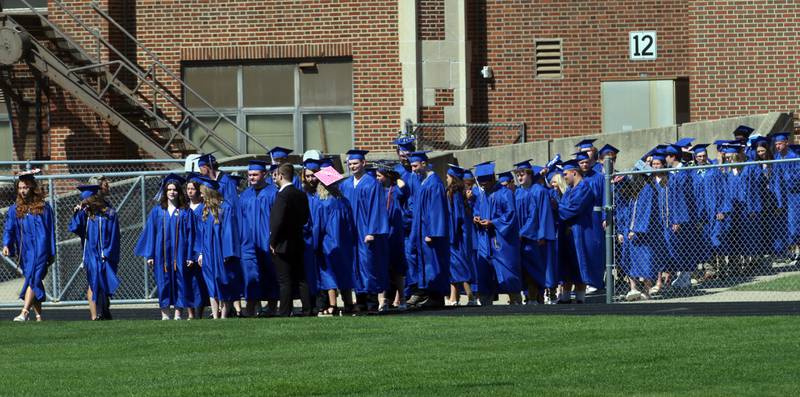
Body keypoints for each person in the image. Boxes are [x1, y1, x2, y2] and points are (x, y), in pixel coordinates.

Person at [135, 174, 197, 320]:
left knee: (180, 282)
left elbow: (191, 236)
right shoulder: (157, 211)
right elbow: (151, 233)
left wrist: (190, 255)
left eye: (175, 189)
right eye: (169, 189)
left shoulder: (185, 212)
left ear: (179, 192)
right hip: (161, 255)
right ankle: (165, 315)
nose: (172, 192)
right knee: (163, 283)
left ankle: (177, 314)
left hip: (180, 255)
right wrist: (150, 255)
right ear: (165, 192)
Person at [339, 149, 390, 314]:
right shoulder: (346, 184)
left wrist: (372, 231)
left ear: (363, 163)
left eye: (355, 163)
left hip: (365, 231)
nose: (352, 166)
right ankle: (359, 301)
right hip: (351, 232)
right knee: (354, 266)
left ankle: (371, 302)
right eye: (350, 164)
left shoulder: (372, 183)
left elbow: (377, 209)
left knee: (369, 265)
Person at [2, 170, 55, 322]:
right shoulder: (15, 209)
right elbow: (9, 228)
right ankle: (38, 316)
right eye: (20, 188)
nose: (22, 191)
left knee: (33, 276)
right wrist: (6, 244)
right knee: (34, 280)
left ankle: (24, 312)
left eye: (25, 187)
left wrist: (51, 250)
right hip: (25, 251)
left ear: (32, 187)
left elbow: (50, 230)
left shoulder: (44, 208)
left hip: (41, 249)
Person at [472, 161, 521, 305]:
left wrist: (493, 222)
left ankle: (515, 301)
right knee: (484, 273)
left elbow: (510, 215)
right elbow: (476, 209)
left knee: (507, 271)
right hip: (484, 239)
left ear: (493, 178)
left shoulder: (505, 193)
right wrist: (476, 217)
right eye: (481, 183)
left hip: (500, 240)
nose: (483, 185)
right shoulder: (482, 195)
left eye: (486, 182)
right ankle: (486, 305)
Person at [69, 184, 121, 320]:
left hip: (105, 254)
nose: (86, 203)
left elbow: (114, 235)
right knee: (94, 281)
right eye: (84, 201)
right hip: (91, 254)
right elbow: (75, 228)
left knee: (103, 282)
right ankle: (97, 314)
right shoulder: (85, 215)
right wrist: (78, 212)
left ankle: (103, 311)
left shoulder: (109, 214)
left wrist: (108, 253)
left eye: (88, 201)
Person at [406, 151, 450, 309]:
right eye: (411, 166)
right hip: (420, 230)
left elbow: (436, 210)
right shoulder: (423, 181)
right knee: (423, 261)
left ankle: (437, 297)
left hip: (429, 232)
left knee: (434, 262)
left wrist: (432, 232)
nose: (413, 169)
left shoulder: (434, 183)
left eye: (415, 166)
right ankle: (427, 293)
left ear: (424, 164)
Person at [194, 177, 242, 319]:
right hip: (208, 253)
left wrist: (228, 253)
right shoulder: (204, 211)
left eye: (203, 192)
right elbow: (200, 234)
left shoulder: (226, 208)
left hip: (221, 253)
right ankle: (215, 316)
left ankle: (224, 315)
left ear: (209, 193)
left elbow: (229, 233)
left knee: (223, 282)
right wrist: (200, 253)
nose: (201, 195)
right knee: (210, 283)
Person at [312, 166, 357, 316]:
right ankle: (349, 304)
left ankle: (333, 305)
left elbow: (319, 226)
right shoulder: (344, 201)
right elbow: (351, 225)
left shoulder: (322, 203)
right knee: (344, 272)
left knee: (328, 274)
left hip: (328, 244)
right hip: (345, 244)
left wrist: (314, 243)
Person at [237, 160, 280, 317]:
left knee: (271, 273)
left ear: (264, 174)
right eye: (249, 175)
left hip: (267, 240)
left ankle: (272, 306)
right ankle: (251, 307)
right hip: (248, 242)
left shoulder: (273, 193)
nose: (252, 178)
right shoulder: (245, 195)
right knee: (251, 274)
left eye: (255, 174)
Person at [269, 163, 311, 317]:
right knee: (301, 278)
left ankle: (285, 310)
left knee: (285, 280)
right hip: (298, 239)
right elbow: (305, 218)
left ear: (280, 176)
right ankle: (307, 309)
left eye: (275, 174)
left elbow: (277, 221)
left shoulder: (282, 195)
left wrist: (273, 241)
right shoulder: (301, 194)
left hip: (283, 243)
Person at [557, 159, 602, 303]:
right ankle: (564, 297)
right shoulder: (569, 190)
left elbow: (573, 209)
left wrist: (556, 207)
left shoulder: (584, 188)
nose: (564, 177)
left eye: (565, 174)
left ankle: (580, 298)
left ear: (574, 172)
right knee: (567, 264)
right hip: (568, 234)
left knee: (579, 264)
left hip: (580, 232)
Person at [514, 161, 557, 305]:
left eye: (522, 174)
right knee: (525, 269)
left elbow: (542, 215)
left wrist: (542, 234)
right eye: (517, 175)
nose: (519, 177)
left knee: (536, 268)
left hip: (535, 238)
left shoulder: (539, 191)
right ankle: (530, 296)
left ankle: (538, 296)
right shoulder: (518, 192)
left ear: (530, 174)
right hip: (522, 238)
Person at [375, 163, 408, 311]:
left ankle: (402, 298)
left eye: (379, 176)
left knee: (397, 268)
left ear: (387, 176)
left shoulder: (395, 191)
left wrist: (398, 178)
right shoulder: (376, 191)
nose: (376, 178)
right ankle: (382, 300)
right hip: (381, 234)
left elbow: (405, 190)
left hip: (395, 234)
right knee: (381, 267)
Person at [445, 165, 475, 306]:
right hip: (460, 234)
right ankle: (453, 298)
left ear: (453, 178)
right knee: (455, 266)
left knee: (459, 265)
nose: (446, 178)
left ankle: (470, 296)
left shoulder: (454, 193)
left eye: (448, 176)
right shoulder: (459, 192)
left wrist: (451, 234)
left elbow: (456, 216)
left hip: (456, 235)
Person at [184, 175, 209, 318]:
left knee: (198, 282)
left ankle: (199, 312)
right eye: (188, 189)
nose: (190, 191)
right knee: (187, 282)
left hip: (198, 248)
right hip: (185, 249)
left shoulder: (202, 208)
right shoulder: (185, 209)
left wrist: (200, 251)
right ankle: (190, 313)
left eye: (192, 189)